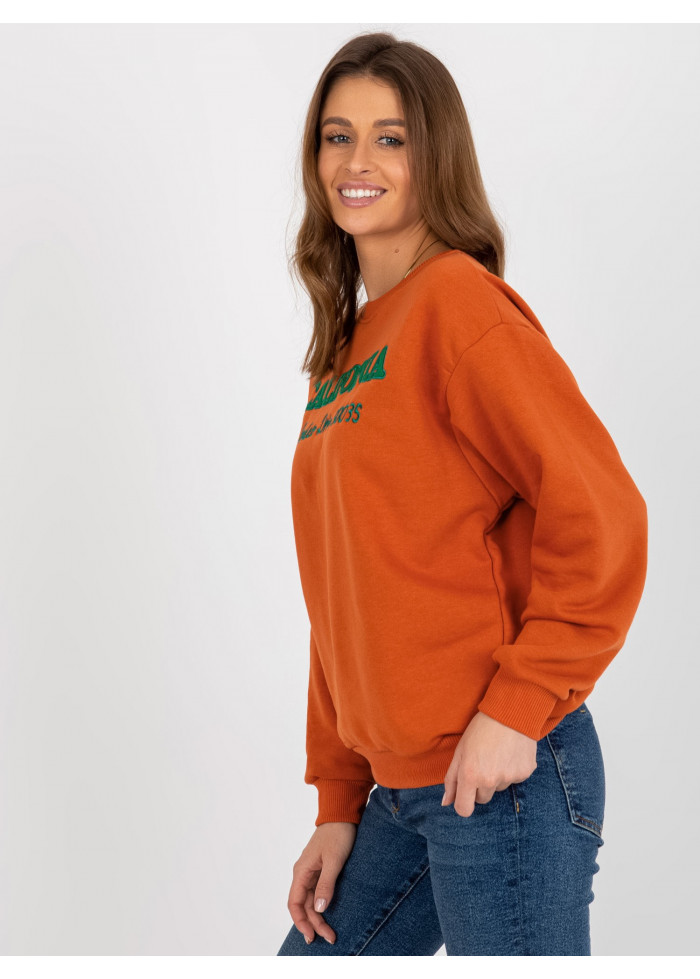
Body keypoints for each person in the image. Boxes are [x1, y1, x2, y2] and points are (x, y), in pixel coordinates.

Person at [276, 31, 648, 957]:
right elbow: (343, 590)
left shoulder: (459, 305)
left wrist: (517, 708)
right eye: (337, 136)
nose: (357, 162)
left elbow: (601, 512)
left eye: (390, 138)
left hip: (504, 775)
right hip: (400, 790)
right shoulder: (346, 351)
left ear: (434, 155)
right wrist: (338, 800)